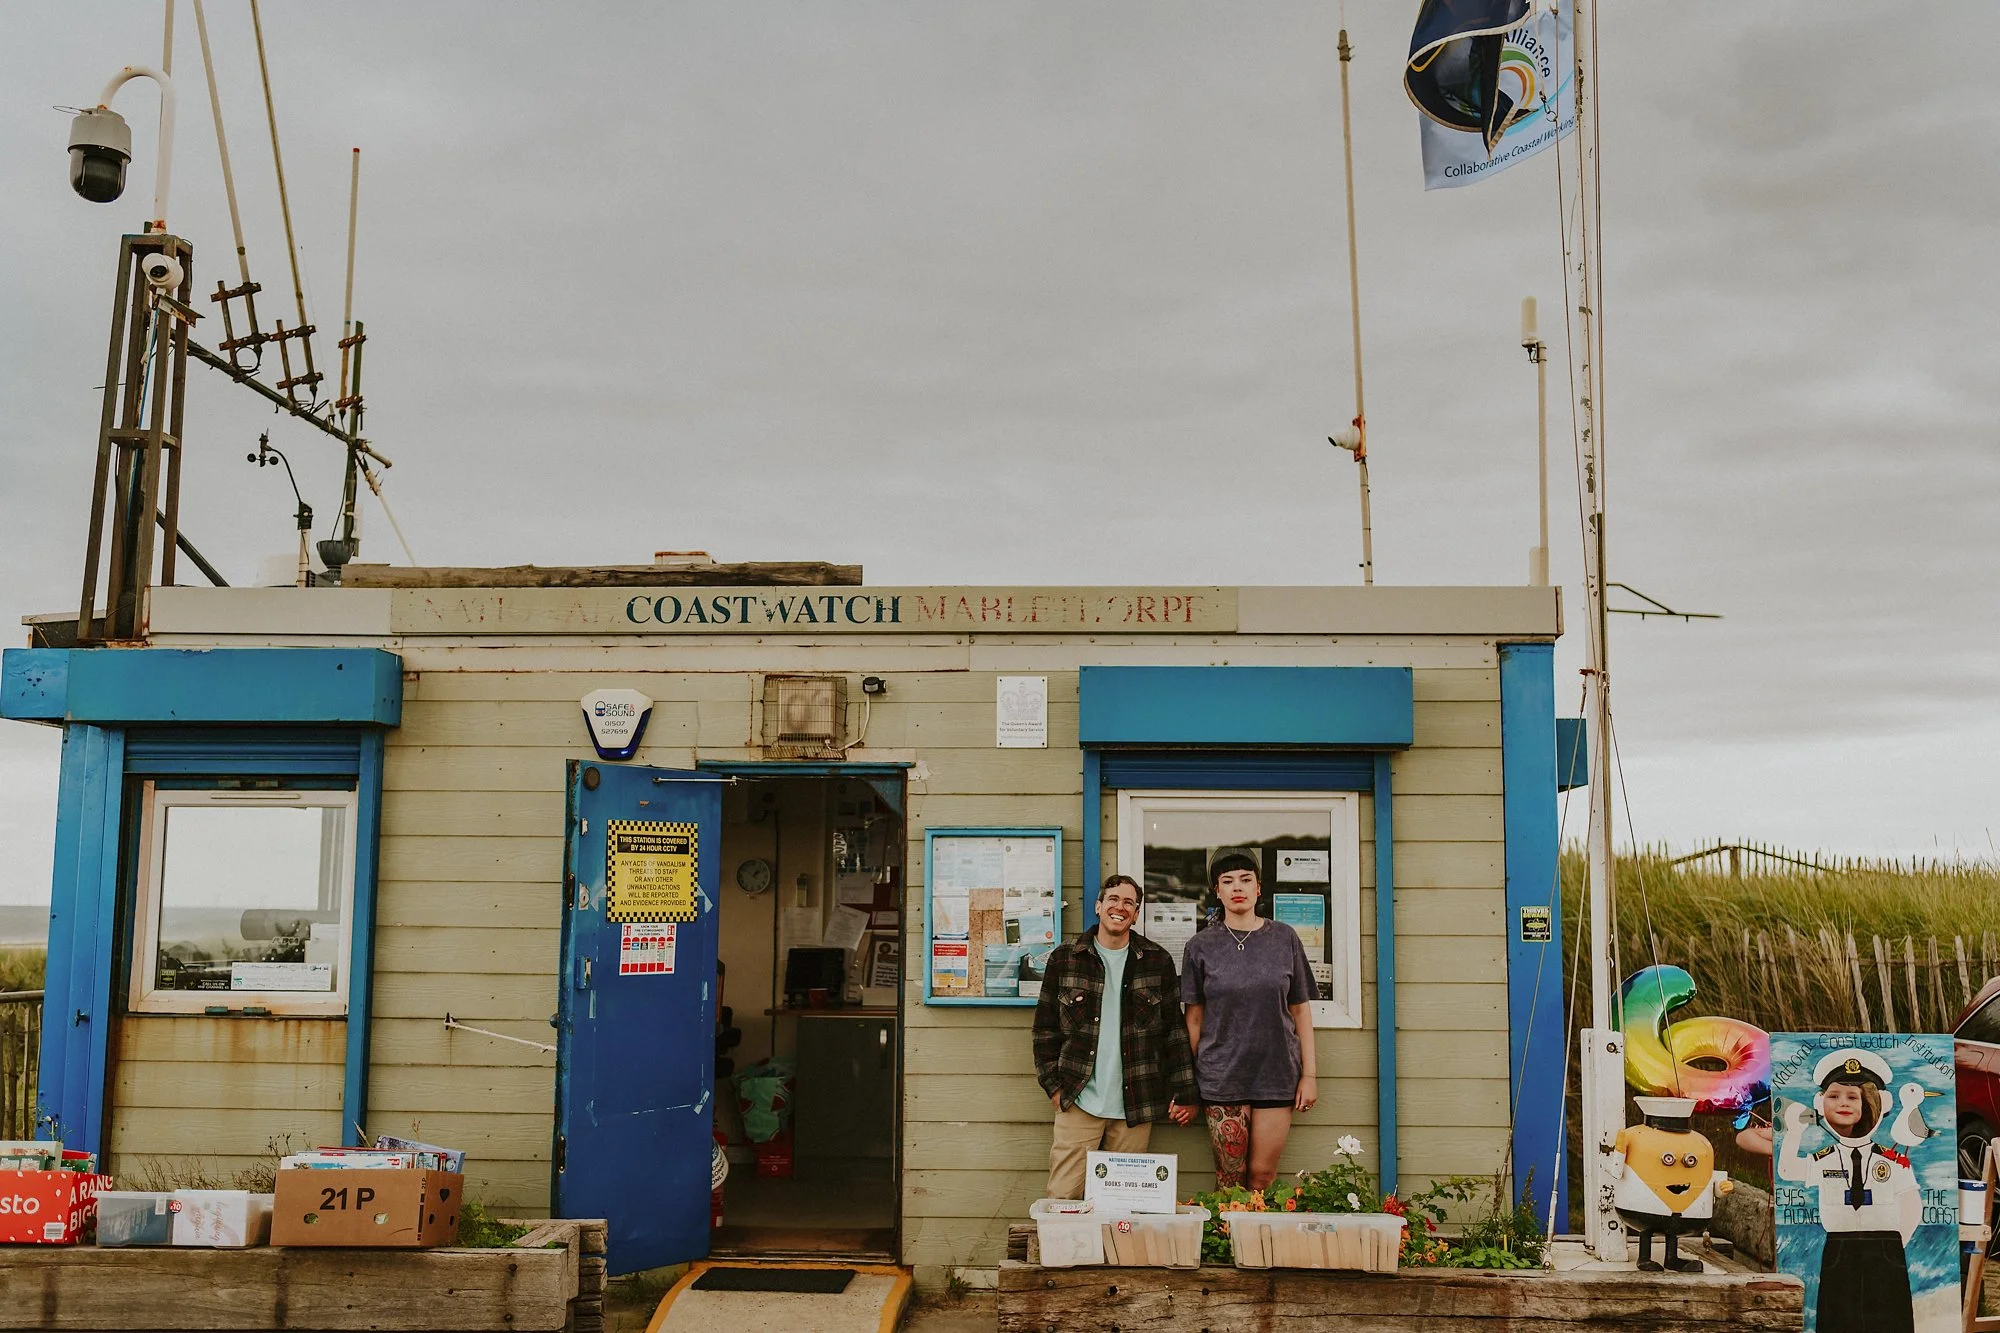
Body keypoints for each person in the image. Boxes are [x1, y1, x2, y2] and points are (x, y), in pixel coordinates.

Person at [1032, 874, 1199, 1199]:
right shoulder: (1065, 958)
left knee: (1122, 1205)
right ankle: (1065, 1253)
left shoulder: (1156, 961)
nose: (1119, 907)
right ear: (1098, 906)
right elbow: (1044, 1031)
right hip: (1079, 1100)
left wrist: (1187, 1093)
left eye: (1128, 903)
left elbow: (1174, 1034)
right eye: (1113, 899)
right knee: (1063, 1197)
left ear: (1136, 914)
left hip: (1135, 1106)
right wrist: (1055, 1087)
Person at [1181, 853, 1317, 1190]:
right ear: (1217, 891)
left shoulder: (1285, 939)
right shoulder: (1200, 946)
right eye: (1227, 881)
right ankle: (1225, 1243)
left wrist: (1309, 1075)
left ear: (1259, 888)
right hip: (1221, 1075)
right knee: (1229, 1179)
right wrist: (1187, 1083)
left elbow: (1300, 1010)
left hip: (1276, 1074)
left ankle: (1255, 1244)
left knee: (1262, 1176)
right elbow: (1194, 1018)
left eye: (1244, 879)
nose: (1236, 887)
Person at [1776, 1048, 1919, 1333]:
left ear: (1874, 1103)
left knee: (1890, 1321)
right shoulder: (1824, 1158)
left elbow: (1912, 1206)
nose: (1843, 1103)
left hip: (1885, 1249)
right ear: (1820, 1103)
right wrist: (1793, 1133)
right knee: (1838, 1320)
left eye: (1853, 1096)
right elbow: (1787, 1171)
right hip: (1839, 1249)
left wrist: (1891, 1246)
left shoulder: (1892, 1160)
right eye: (1834, 1095)